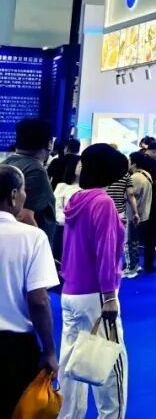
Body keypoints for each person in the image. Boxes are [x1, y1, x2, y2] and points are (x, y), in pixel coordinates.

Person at [58, 144, 129, 419]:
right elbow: (105, 253)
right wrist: (110, 296)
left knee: (70, 364)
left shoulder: (76, 199)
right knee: (110, 365)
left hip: (71, 291)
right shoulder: (103, 203)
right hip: (96, 294)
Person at [0, 165, 59, 419]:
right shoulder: (32, 237)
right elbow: (38, 301)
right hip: (13, 348)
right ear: (14, 195)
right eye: (24, 190)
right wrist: (49, 350)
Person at [1, 118, 56, 241]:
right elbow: (24, 216)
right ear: (49, 143)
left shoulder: (6, 164)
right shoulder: (36, 170)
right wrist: (40, 244)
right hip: (26, 243)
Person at [125, 155, 153, 278]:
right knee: (135, 241)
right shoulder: (146, 175)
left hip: (133, 214)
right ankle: (135, 265)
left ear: (134, 164)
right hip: (143, 213)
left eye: (129, 161)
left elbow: (130, 195)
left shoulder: (134, 178)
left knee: (129, 242)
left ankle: (131, 268)